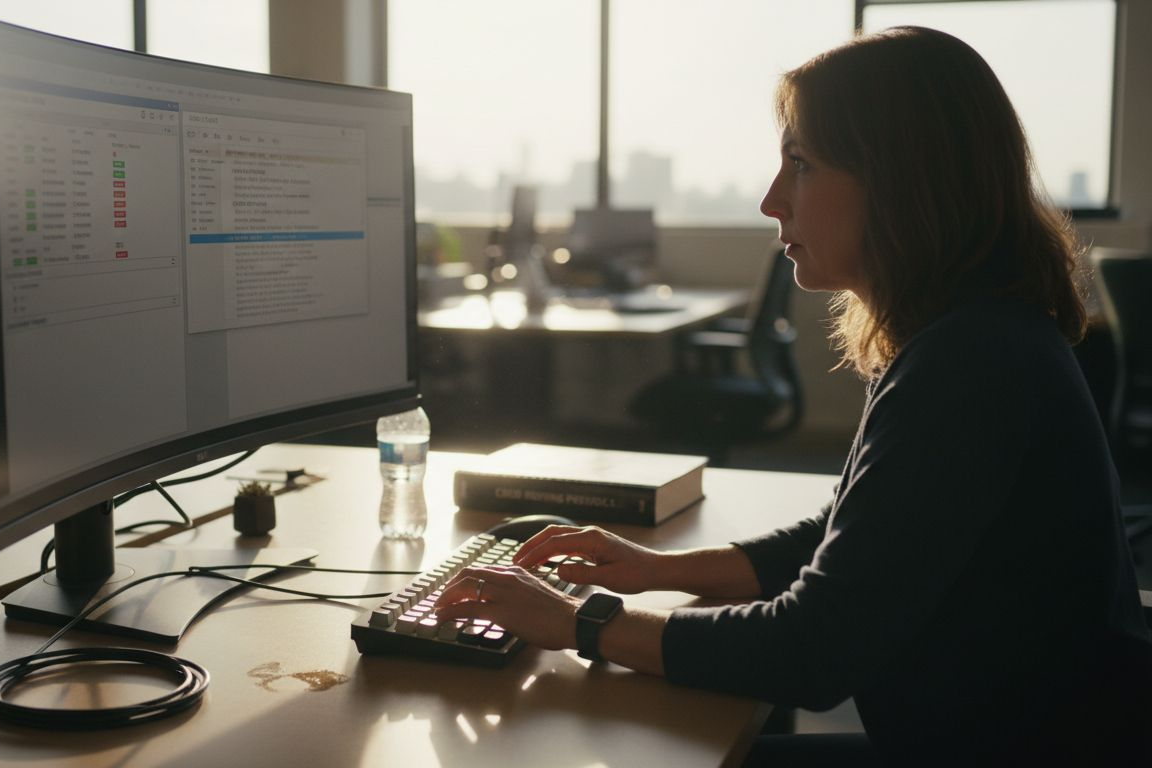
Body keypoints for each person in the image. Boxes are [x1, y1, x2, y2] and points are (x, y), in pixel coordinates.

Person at [434, 26, 1152, 766]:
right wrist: (657, 570)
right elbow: (849, 539)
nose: (771, 200)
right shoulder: (973, 335)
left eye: (800, 165)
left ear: (902, 182)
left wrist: (581, 620)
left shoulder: (970, 364)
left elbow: (809, 651)